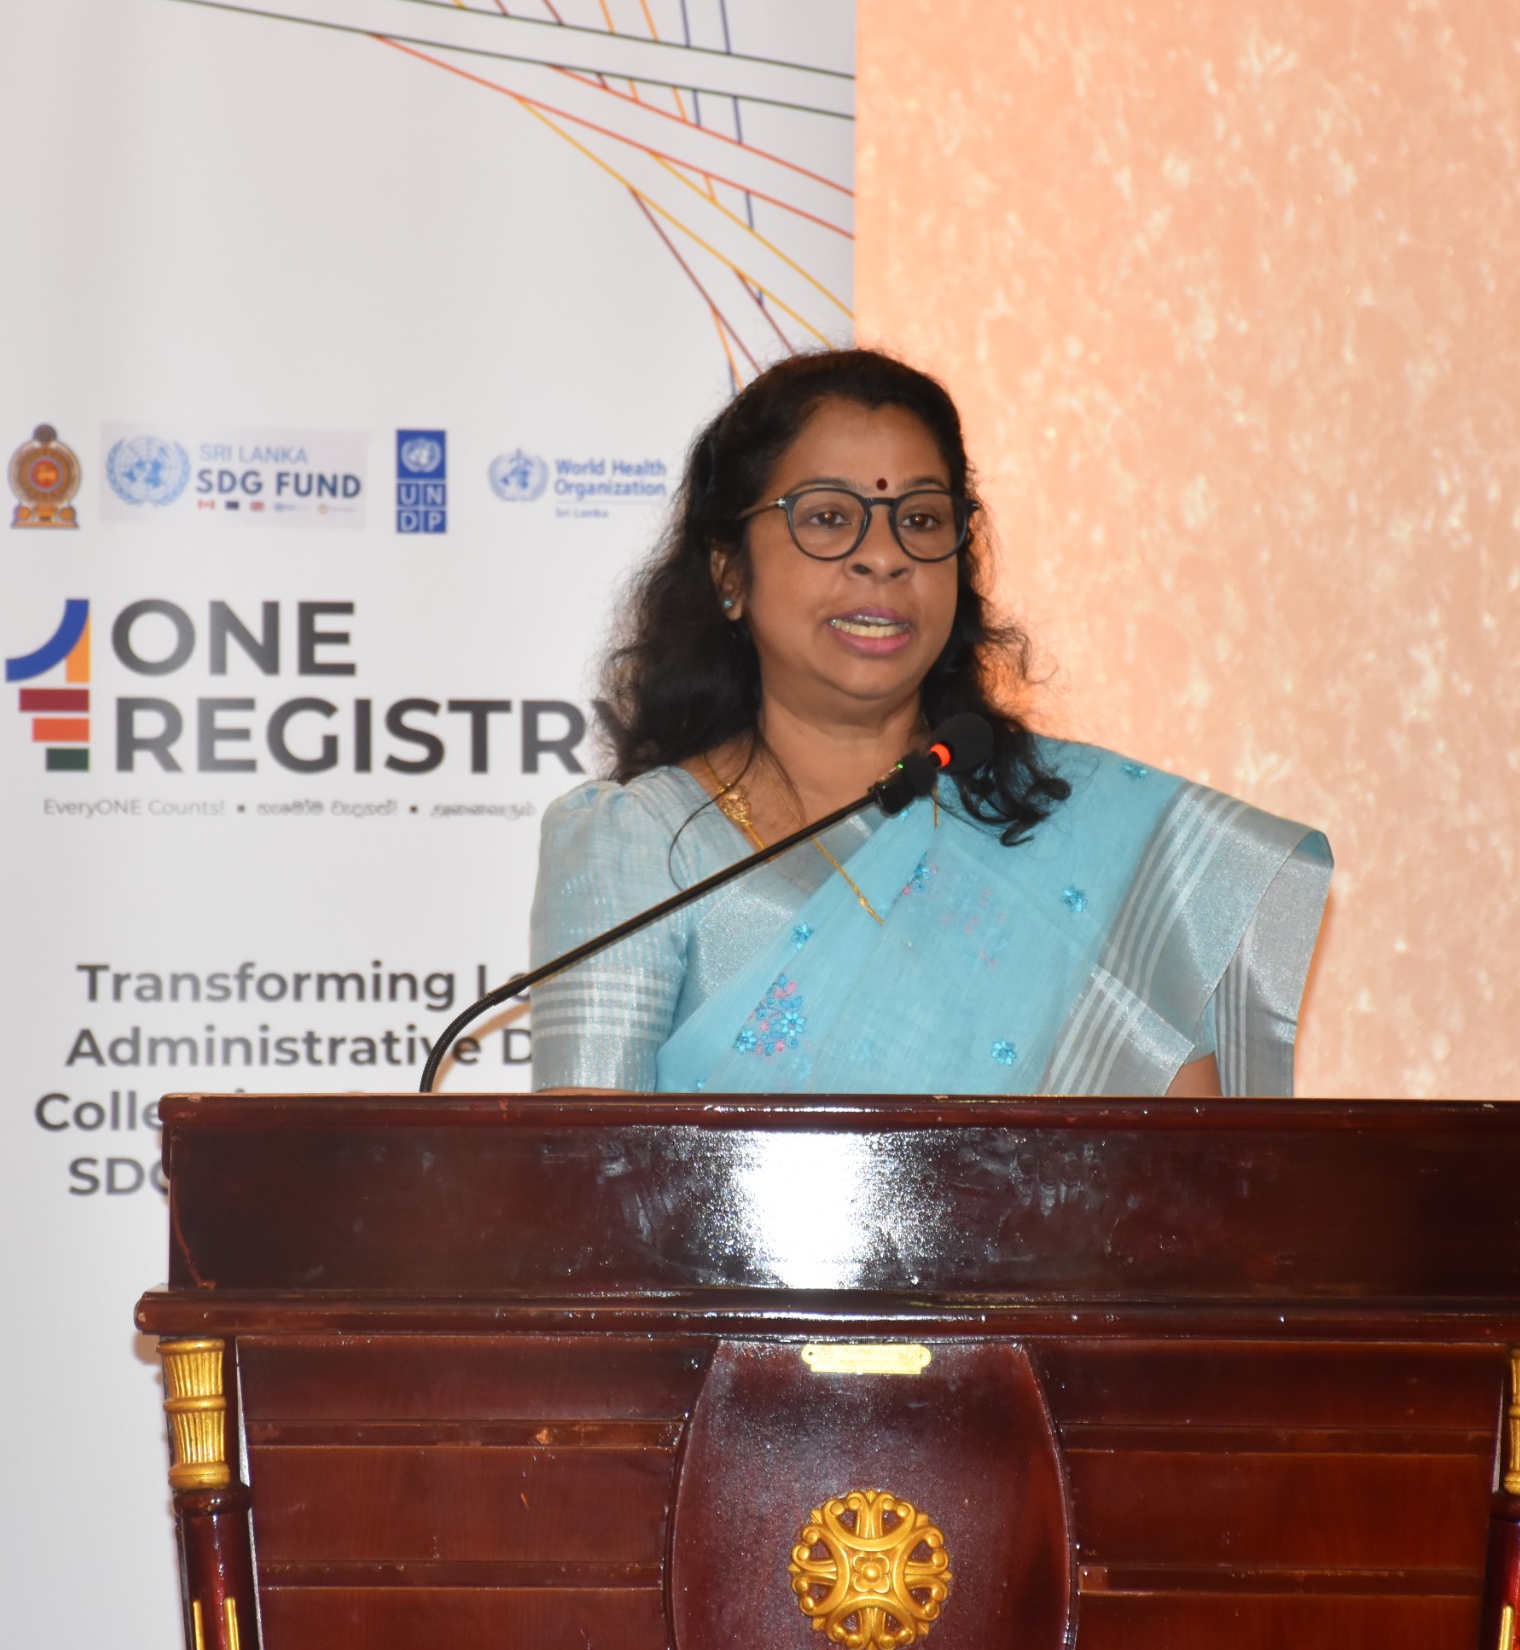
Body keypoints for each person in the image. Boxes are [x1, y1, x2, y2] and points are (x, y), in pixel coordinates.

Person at [529, 349, 1329, 1096]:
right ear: (729, 570)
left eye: (919, 519)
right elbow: (581, 1178)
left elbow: (1187, 1166)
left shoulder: (1082, 836)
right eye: (828, 516)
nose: (884, 556)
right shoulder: (638, 847)